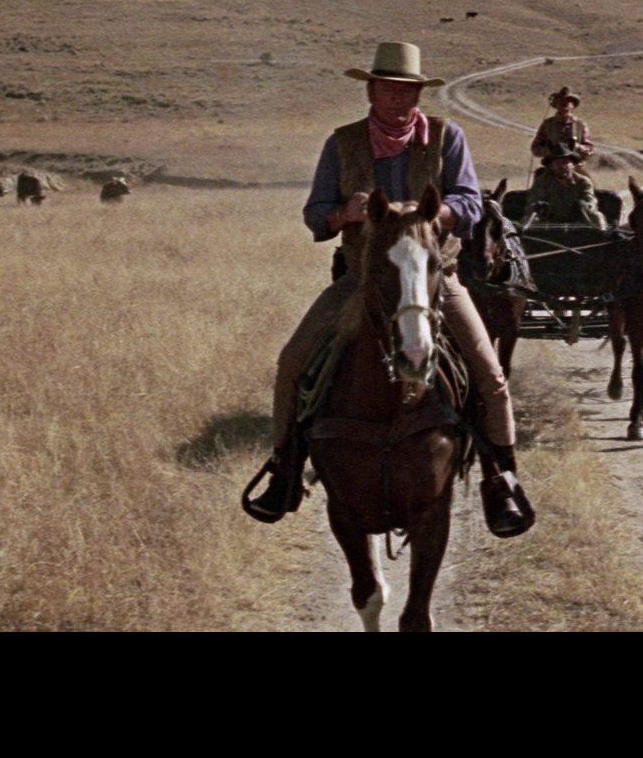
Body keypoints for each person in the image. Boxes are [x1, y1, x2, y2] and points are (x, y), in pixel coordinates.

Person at [245, 41, 529, 535]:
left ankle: (501, 480)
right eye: (390, 89)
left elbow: (470, 201)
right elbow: (315, 212)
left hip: (435, 277)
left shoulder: (447, 137)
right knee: (292, 364)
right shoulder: (342, 143)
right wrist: (344, 213)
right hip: (361, 280)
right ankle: (284, 473)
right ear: (370, 92)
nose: (400, 99)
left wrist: (435, 214)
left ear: (419, 94)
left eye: (408, 90)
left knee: (490, 375)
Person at [527, 142, 605, 227]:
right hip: (549, 223)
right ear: (551, 166)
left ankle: (603, 234)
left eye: (565, 162)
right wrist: (536, 206)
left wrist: (585, 206)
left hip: (577, 222)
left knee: (597, 216)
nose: (562, 166)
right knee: (528, 220)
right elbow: (532, 203)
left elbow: (591, 201)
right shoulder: (542, 181)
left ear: (573, 165)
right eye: (557, 162)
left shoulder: (583, 182)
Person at [530, 87, 593, 180]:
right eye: (560, 101)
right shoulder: (547, 124)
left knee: (588, 184)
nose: (564, 103)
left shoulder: (580, 125)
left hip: (574, 167)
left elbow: (589, 148)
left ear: (573, 106)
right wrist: (549, 150)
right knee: (539, 184)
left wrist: (578, 147)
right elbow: (535, 148)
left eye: (568, 101)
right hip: (551, 168)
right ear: (555, 105)